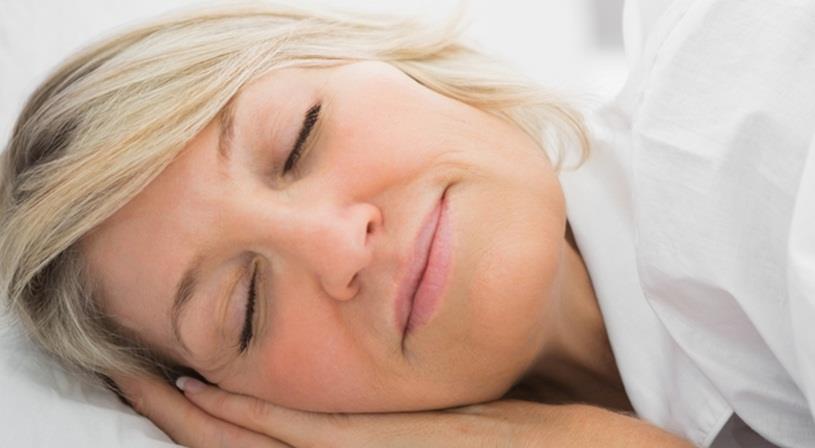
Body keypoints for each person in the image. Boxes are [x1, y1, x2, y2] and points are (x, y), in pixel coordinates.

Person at [0, 0, 812, 447]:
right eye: (244, 306)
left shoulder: (751, 89)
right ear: (231, 408)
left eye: (299, 138)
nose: (336, 243)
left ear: (395, 62)